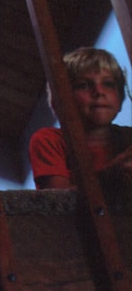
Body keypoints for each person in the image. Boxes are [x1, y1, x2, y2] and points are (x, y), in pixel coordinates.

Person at [29, 47, 132, 193]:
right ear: (60, 101)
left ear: (121, 97)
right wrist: (112, 174)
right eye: (83, 85)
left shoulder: (128, 137)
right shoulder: (50, 140)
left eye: (108, 84)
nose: (99, 92)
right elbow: (58, 203)